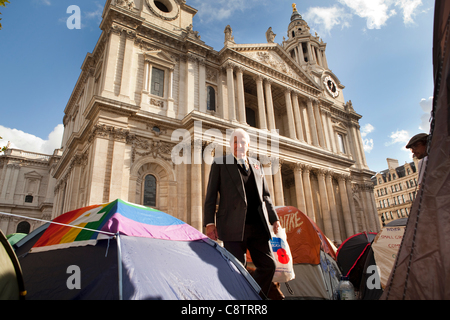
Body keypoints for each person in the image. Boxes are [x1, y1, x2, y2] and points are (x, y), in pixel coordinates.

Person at [204, 128, 281, 297]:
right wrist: (209, 223)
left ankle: (253, 298)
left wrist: (274, 219)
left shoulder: (257, 165)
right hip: (232, 226)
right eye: (234, 142)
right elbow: (210, 196)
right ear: (231, 145)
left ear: (248, 145)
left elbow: (265, 196)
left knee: (269, 266)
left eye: (242, 142)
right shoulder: (220, 163)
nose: (238, 145)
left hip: (258, 226)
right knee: (237, 269)